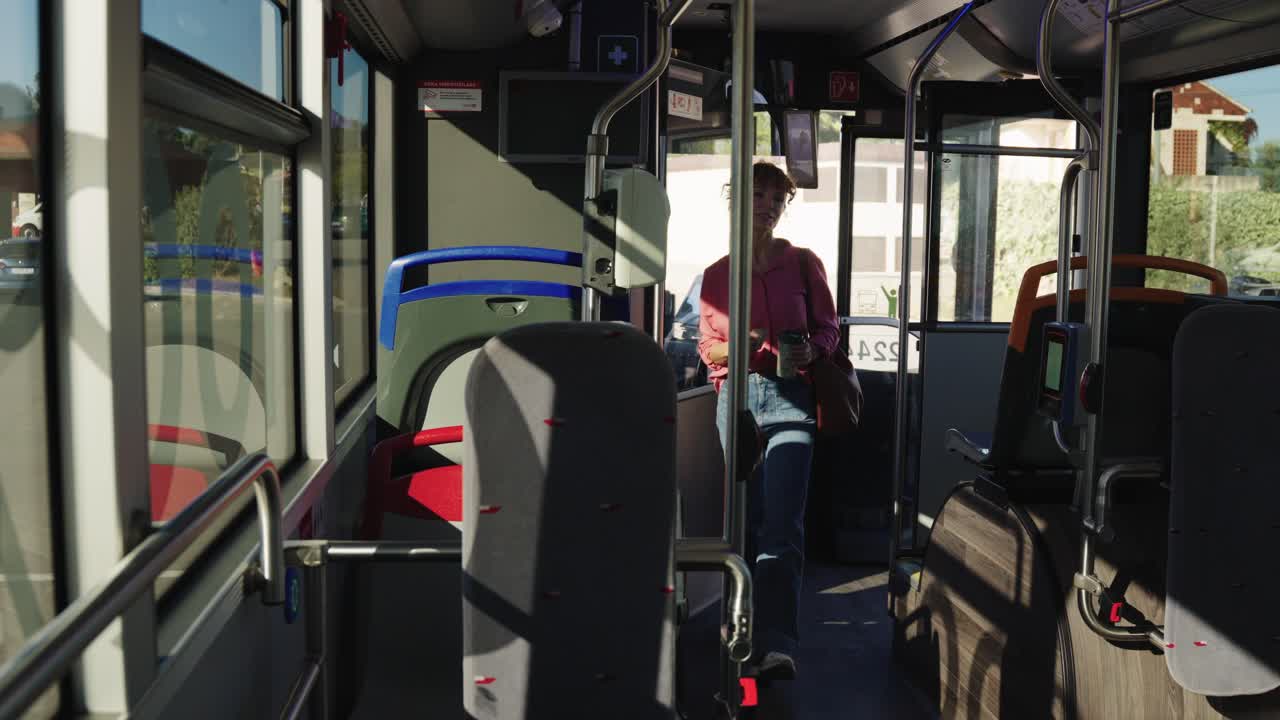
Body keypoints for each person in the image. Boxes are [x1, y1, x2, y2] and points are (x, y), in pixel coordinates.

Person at [696, 161, 840, 681]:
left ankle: (777, 644)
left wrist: (810, 353)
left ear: (784, 207)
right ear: (738, 201)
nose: (766, 205)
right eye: (756, 195)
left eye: (775, 198)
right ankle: (740, 632)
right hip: (737, 396)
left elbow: (829, 330)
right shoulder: (717, 274)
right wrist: (741, 346)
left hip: (791, 399)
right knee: (744, 526)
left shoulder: (803, 264)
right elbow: (706, 347)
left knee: (781, 526)